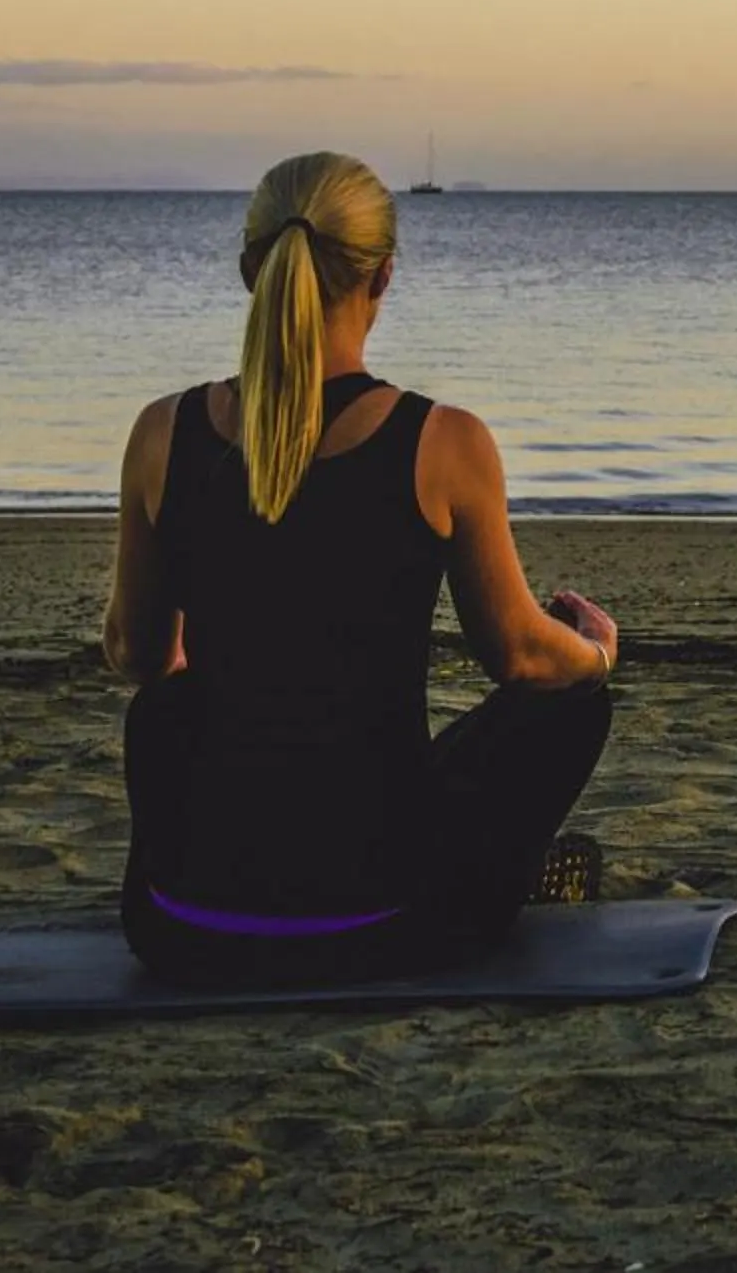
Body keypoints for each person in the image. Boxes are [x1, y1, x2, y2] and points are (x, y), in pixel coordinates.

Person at [103, 150, 622, 986]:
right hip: (384, 920)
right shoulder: (444, 441)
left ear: (250, 272)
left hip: (181, 924)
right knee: (571, 707)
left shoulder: (162, 433)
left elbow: (138, 655)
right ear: (382, 279)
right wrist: (594, 651)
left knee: (164, 711)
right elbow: (520, 656)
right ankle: (510, 878)